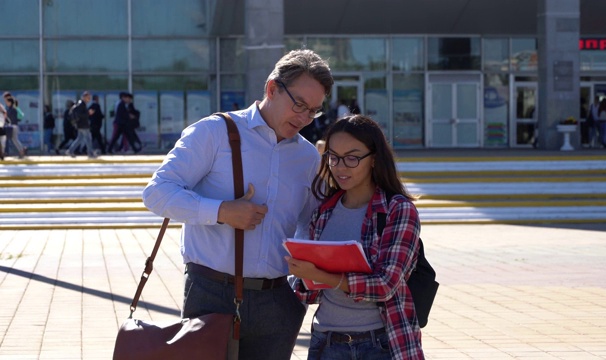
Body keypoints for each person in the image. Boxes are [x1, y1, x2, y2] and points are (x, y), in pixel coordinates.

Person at [142, 49, 334, 359]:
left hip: (278, 301)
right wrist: (221, 211)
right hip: (211, 293)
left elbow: (311, 224)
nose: (304, 118)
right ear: (272, 88)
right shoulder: (213, 133)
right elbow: (157, 192)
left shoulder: (308, 156)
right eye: (299, 105)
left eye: (313, 111)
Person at [286, 115, 424, 360]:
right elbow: (312, 293)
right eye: (333, 157)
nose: (340, 167)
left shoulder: (397, 209)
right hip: (326, 342)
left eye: (352, 158)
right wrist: (300, 275)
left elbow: (386, 285)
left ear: (374, 159)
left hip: (380, 343)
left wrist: (321, 275)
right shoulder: (324, 211)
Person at [65, 91, 96, 158]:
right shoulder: (81, 104)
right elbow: (80, 114)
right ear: (84, 97)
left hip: (81, 124)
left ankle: (70, 151)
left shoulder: (81, 104)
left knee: (79, 139)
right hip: (83, 125)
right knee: (88, 139)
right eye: (88, 98)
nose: (89, 99)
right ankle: (90, 154)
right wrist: (88, 113)